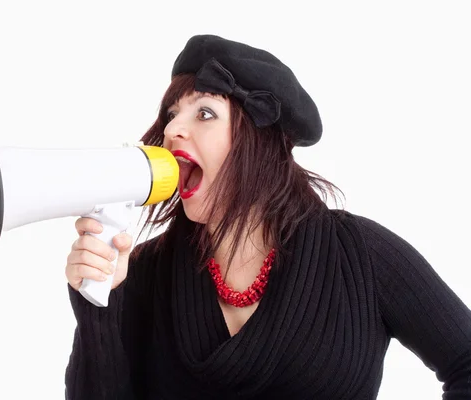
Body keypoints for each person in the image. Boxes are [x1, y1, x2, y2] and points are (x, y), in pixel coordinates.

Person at [63, 34, 471, 399]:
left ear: (257, 141)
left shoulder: (362, 255)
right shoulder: (144, 271)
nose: (173, 131)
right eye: (172, 114)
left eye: (204, 113)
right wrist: (100, 302)